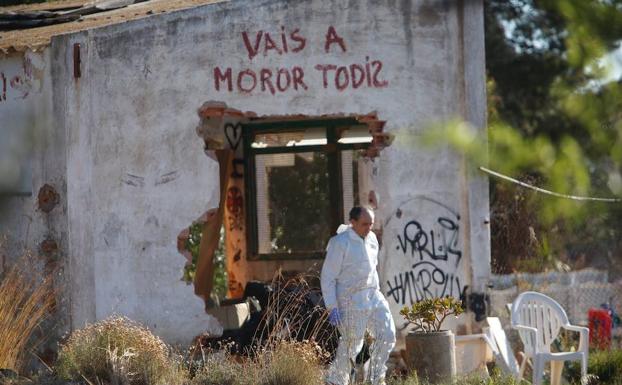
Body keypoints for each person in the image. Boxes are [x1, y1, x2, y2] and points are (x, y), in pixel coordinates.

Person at [321, 206, 396, 385]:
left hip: (373, 294)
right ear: (352, 222)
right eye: (364, 224)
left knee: (387, 334)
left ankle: (376, 379)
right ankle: (336, 381)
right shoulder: (340, 243)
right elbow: (328, 277)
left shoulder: (371, 240)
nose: (369, 228)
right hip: (350, 299)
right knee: (352, 344)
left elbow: (372, 269)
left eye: (371, 224)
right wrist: (332, 307)